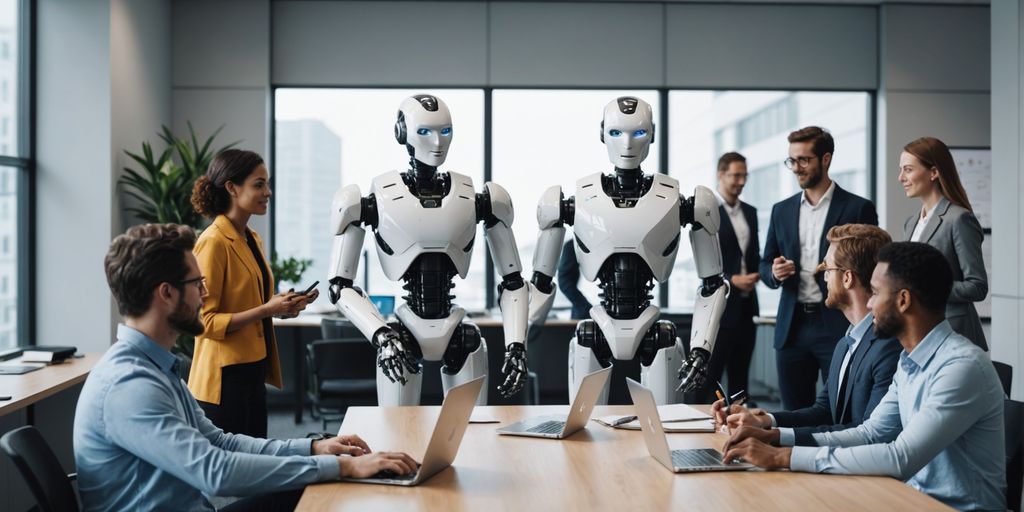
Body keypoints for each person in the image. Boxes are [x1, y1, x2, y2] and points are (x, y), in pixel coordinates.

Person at [74, 223, 417, 511]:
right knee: (329, 486)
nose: (205, 295)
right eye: (197, 284)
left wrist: (314, 448)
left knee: (324, 487)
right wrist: (341, 466)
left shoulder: (155, 367)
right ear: (166, 293)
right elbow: (216, 472)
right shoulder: (130, 386)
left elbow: (219, 442)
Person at [723, 242, 1005, 511]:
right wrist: (774, 437)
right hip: (911, 500)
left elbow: (900, 457)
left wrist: (783, 457)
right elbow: (870, 433)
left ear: (903, 300)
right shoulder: (909, 360)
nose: (869, 304)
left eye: (875, 292)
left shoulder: (961, 367)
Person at [713, 224, 901, 447]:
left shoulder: (888, 348)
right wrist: (762, 421)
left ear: (848, 278)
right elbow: (823, 411)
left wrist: (774, 438)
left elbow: (866, 435)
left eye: (827, 269)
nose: (823, 279)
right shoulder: (846, 342)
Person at [189, 149, 314, 437]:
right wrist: (268, 310)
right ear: (232, 188)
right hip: (224, 378)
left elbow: (254, 304)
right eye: (259, 184)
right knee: (234, 472)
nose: (268, 192)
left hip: (253, 370)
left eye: (267, 184)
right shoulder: (213, 242)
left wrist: (286, 307)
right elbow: (204, 322)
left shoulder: (251, 238)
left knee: (258, 464)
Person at [760, 126, 878, 410]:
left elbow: (873, 267)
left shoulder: (858, 208)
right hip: (791, 327)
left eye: (804, 160)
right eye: (792, 160)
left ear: (826, 159)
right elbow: (764, 263)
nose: (796, 168)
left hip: (839, 324)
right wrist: (774, 273)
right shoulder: (781, 210)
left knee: (841, 409)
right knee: (794, 410)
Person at [900, 136, 988, 350]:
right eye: (901, 170)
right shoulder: (911, 223)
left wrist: (928, 289)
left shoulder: (959, 219)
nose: (901, 177)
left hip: (954, 334)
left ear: (934, 172)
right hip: (920, 334)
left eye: (908, 170)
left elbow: (977, 286)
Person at [701, 151, 760, 401]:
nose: (741, 181)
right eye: (736, 175)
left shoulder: (751, 212)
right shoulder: (706, 211)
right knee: (711, 377)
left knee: (740, 378)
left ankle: (739, 430)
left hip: (747, 306)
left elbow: (753, 254)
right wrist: (730, 279)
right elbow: (701, 259)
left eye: (744, 176)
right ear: (720, 174)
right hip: (719, 307)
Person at [557, 239, 591, 320]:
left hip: (567, 282)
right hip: (566, 283)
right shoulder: (573, 245)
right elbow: (564, 281)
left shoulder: (573, 244)